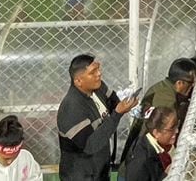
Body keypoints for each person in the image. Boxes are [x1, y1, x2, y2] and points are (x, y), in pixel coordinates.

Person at [55, 53, 138, 181]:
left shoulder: (97, 88)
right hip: (81, 176)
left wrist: (127, 103)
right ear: (78, 81)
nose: (99, 74)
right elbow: (90, 145)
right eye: (93, 72)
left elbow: (114, 101)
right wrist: (117, 114)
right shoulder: (72, 108)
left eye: (98, 69)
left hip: (99, 170)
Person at [0, 114, 44, 181]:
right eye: (6, 158)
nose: (10, 161)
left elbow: (36, 177)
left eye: (14, 157)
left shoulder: (26, 158)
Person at [119, 106, 179, 181]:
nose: (176, 131)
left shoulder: (152, 143)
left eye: (177, 125)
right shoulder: (140, 163)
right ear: (156, 133)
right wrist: (165, 176)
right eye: (171, 129)